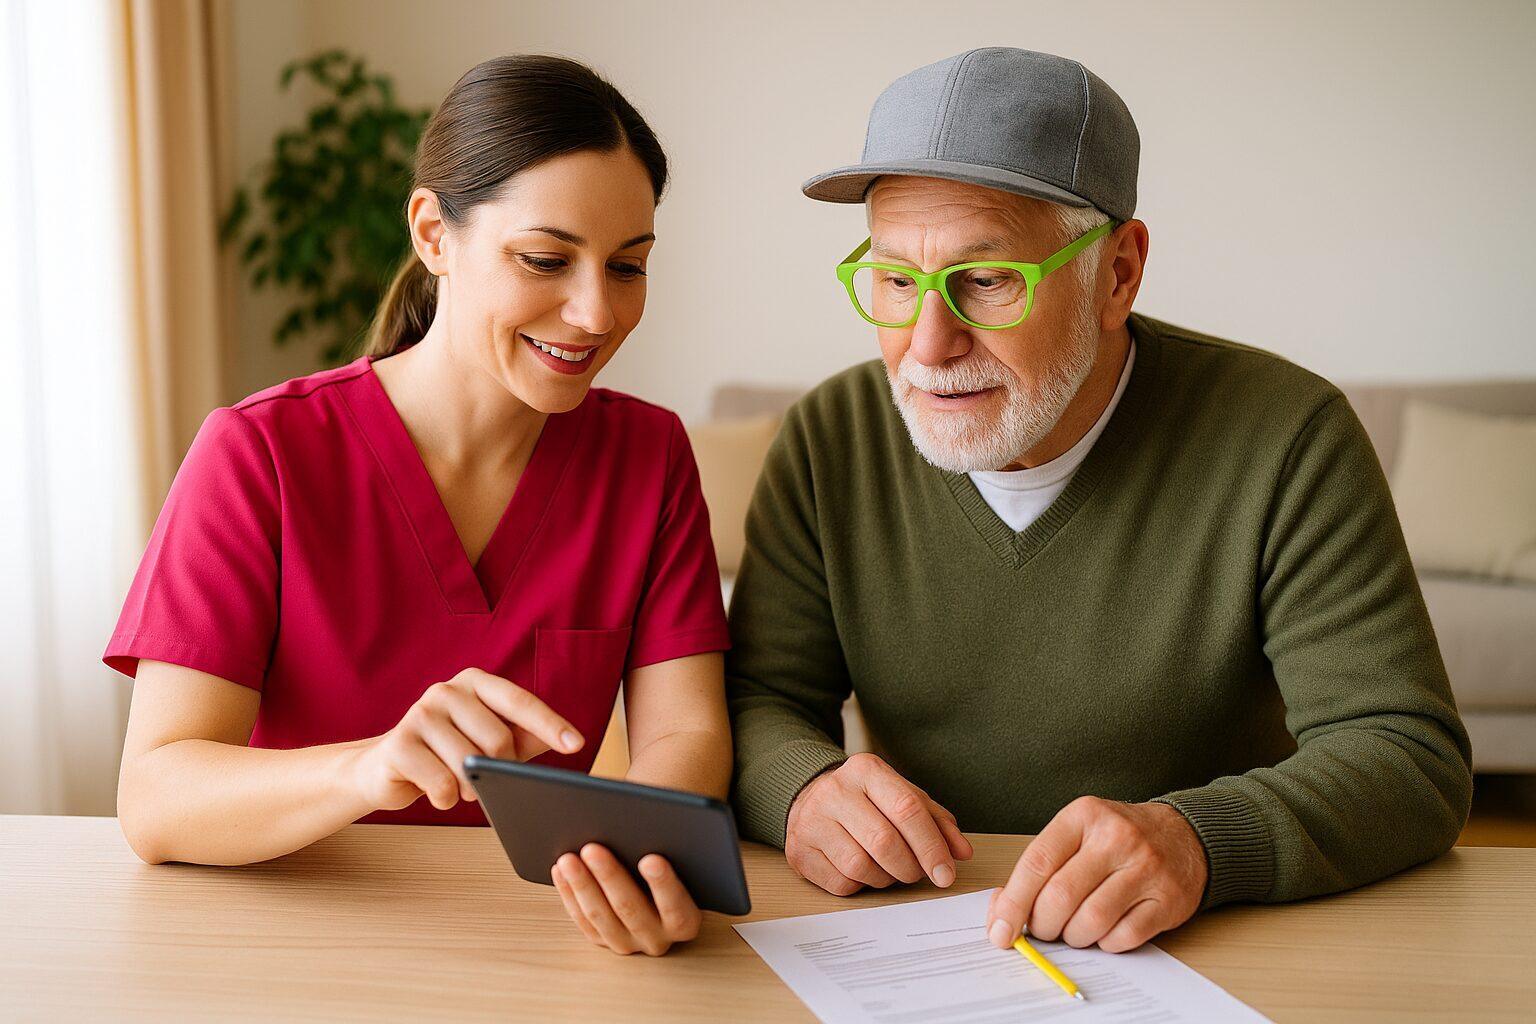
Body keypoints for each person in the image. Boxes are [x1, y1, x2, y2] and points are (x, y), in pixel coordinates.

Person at [726, 47, 1472, 954]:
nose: (928, 344)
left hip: (1211, 944)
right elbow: (757, 699)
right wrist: (801, 787)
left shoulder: (1287, 434)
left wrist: (1202, 841)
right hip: (926, 941)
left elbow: (1408, 754)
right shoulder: (828, 438)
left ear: (1117, 272)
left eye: (987, 279)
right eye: (894, 281)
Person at [109, 55, 726, 957]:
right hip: (295, 938)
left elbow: (688, 729)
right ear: (434, 233)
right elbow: (156, 797)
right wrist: (368, 767)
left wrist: (640, 856)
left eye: (628, 267)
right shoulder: (260, 454)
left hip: (537, 943)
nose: (596, 314)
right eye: (546, 260)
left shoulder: (649, 456)